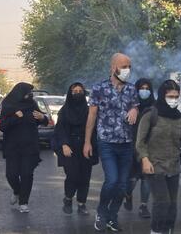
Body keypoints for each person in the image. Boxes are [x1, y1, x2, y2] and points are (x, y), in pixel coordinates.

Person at [83, 53, 140, 232]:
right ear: (113, 67)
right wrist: (87, 142)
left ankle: (112, 216)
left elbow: (135, 106)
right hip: (106, 142)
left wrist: (135, 110)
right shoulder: (99, 88)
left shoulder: (131, 89)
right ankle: (101, 211)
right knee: (112, 180)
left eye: (129, 66)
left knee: (123, 184)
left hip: (126, 142)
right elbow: (92, 115)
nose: (127, 70)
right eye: (124, 66)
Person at [136, 79, 181, 234]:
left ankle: (168, 230)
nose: (174, 99)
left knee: (172, 205)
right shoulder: (150, 114)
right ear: (162, 95)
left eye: (176, 96)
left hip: (174, 166)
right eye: (170, 96)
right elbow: (140, 142)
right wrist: (145, 159)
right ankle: (156, 231)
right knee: (162, 202)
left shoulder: (180, 118)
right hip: (154, 166)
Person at [0, 82, 48, 213]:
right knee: (11, 175)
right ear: (20, 93)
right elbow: (2, 127)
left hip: (30, 146)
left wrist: (43, 117)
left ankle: (23, 202)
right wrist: (15, 117)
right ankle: (17, 191)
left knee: (27, 174)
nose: (30, 95)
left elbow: (45, 120)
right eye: (28, 93)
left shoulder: (32, 104)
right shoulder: (8, 105)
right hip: (12, 147)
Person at [53, 82, 99, 215]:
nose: (78, 93)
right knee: (72, 175)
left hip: (86, 145)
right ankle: (68, 199)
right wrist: (64, 144)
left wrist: (89, 143)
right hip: (70, 146)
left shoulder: (89, 110)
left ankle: (81, 203)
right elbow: (60, 129)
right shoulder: (64, 110)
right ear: (70, 93)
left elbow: (94, 128)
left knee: (85, 176)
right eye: (75, 91)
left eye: (80, 91)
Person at [123, 78, 154, 218]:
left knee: (146, 178)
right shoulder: (129, 106)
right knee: (132, 180)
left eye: (147, 88)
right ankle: (128, 195)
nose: (145, 91)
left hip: (149, 148)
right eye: (142, 88)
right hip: (131, 147)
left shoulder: (155, 107)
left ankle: (143, 206)